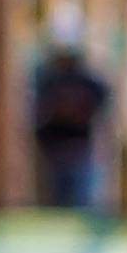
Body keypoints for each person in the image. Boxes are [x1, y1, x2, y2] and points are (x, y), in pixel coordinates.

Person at [26, 39, 113, 210]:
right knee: (54, 203)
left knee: (81, 202)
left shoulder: (86, 80)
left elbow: (101, 102)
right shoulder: (47, 79)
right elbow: (37, 109)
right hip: (53, 152)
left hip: (79, 150)